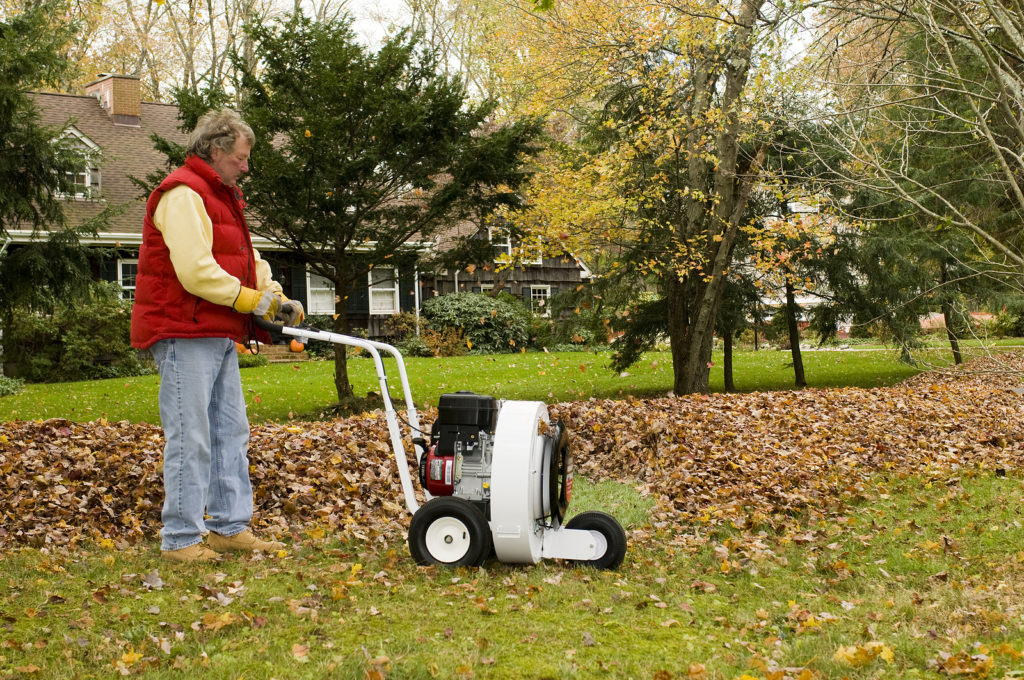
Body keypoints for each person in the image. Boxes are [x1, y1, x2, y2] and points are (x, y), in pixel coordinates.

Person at [131, 109, 304, 563]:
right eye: (241, 158)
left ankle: (229, 527)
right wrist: (251, 302)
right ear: (215, 150)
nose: (246, 166)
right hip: (182, 329)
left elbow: (245, 259)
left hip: (216, 329)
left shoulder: (222, 196)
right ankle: (181, 539)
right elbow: (196, 272)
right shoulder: (183, 193)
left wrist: (274, 294)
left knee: (231, 430)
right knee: (192, 435)